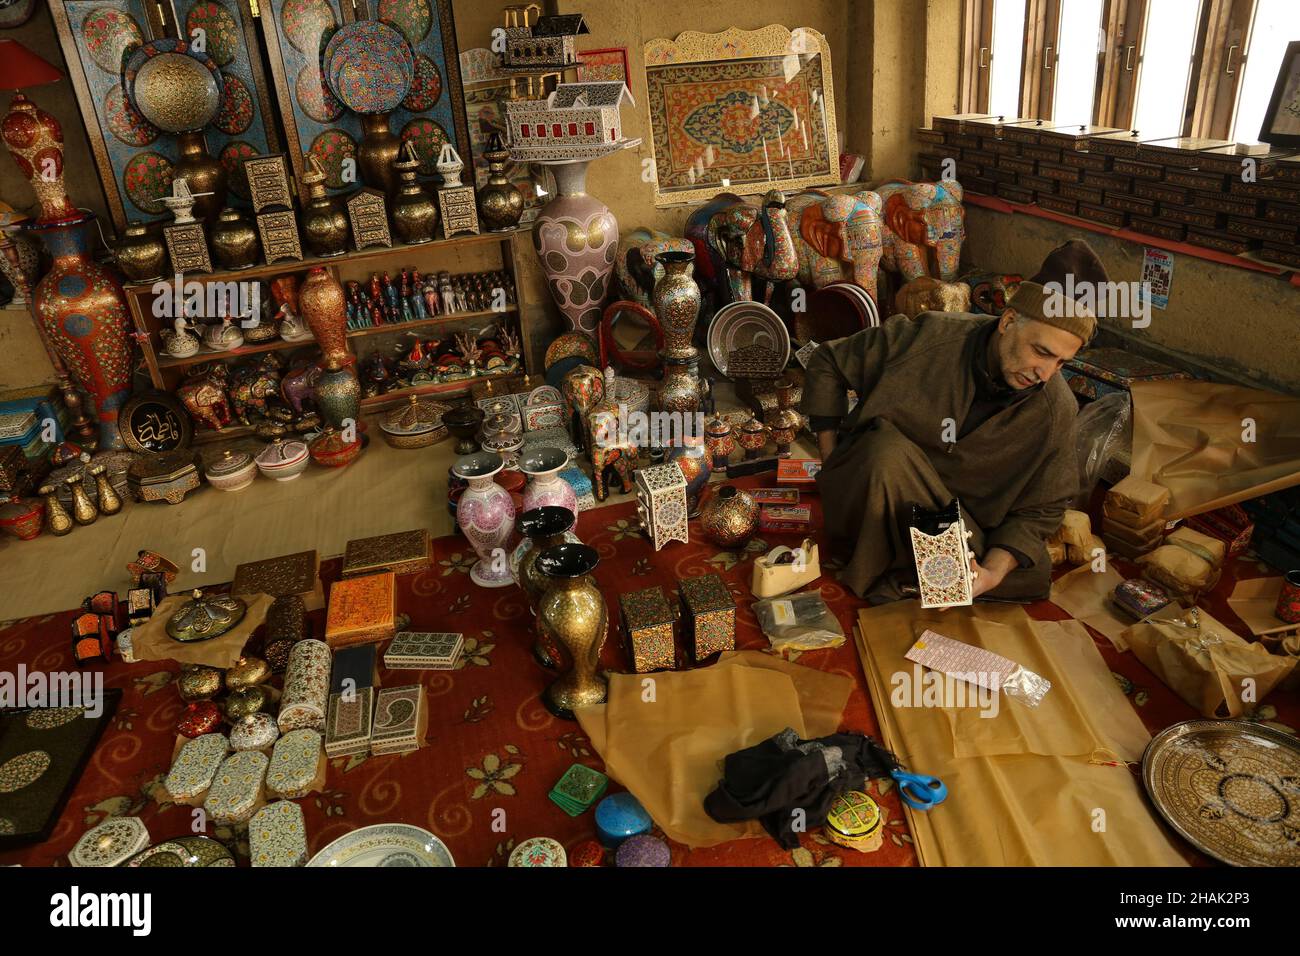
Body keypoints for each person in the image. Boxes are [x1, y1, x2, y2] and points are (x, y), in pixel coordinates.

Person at [799, 240, 1105, 604]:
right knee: (886, 453)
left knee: (1031, 572)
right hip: (876, 493)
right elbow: (828, 363)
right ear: (1008, 322)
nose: (1045, 373)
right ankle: (908, 574)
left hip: (957, 522)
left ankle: (917, 577)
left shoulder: (1057, 407)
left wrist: (991, 572)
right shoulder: (928, 337)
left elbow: (1042, 508)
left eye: (1061, 363)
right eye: (1041, 352)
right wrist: (831, 460)